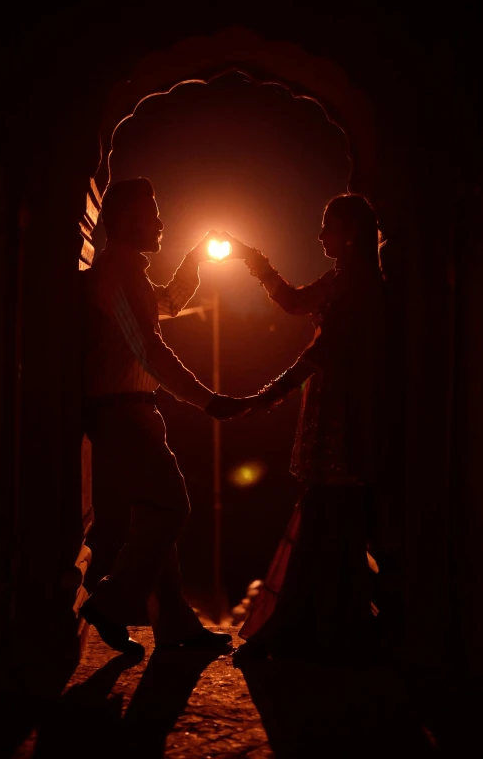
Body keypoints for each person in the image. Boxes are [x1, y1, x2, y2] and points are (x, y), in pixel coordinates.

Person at [217, 194, 391, 663]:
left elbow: (324, 351)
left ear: (350, 233)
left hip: (346, 417)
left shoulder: (361, 285)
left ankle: (303, 626)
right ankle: (322, 627)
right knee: (330, 515)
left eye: (326, 226)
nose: (319, 236)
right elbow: (295, 303)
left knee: (329, 514)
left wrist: (268, 394)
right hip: (333, 411)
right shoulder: (343, 278)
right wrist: (252, 260)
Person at [79, 177, 245, 656]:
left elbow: (165, 305)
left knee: (157, 515)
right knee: (172, 507)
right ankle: (110, 601)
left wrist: (194, 262)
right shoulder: (115, 273)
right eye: (151, 212)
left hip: (130, 409)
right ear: (127, 218)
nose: (159, 222)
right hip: (120, 410)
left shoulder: (126, 271)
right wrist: (207, 400)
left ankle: (174, 625)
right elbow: (148, 348)